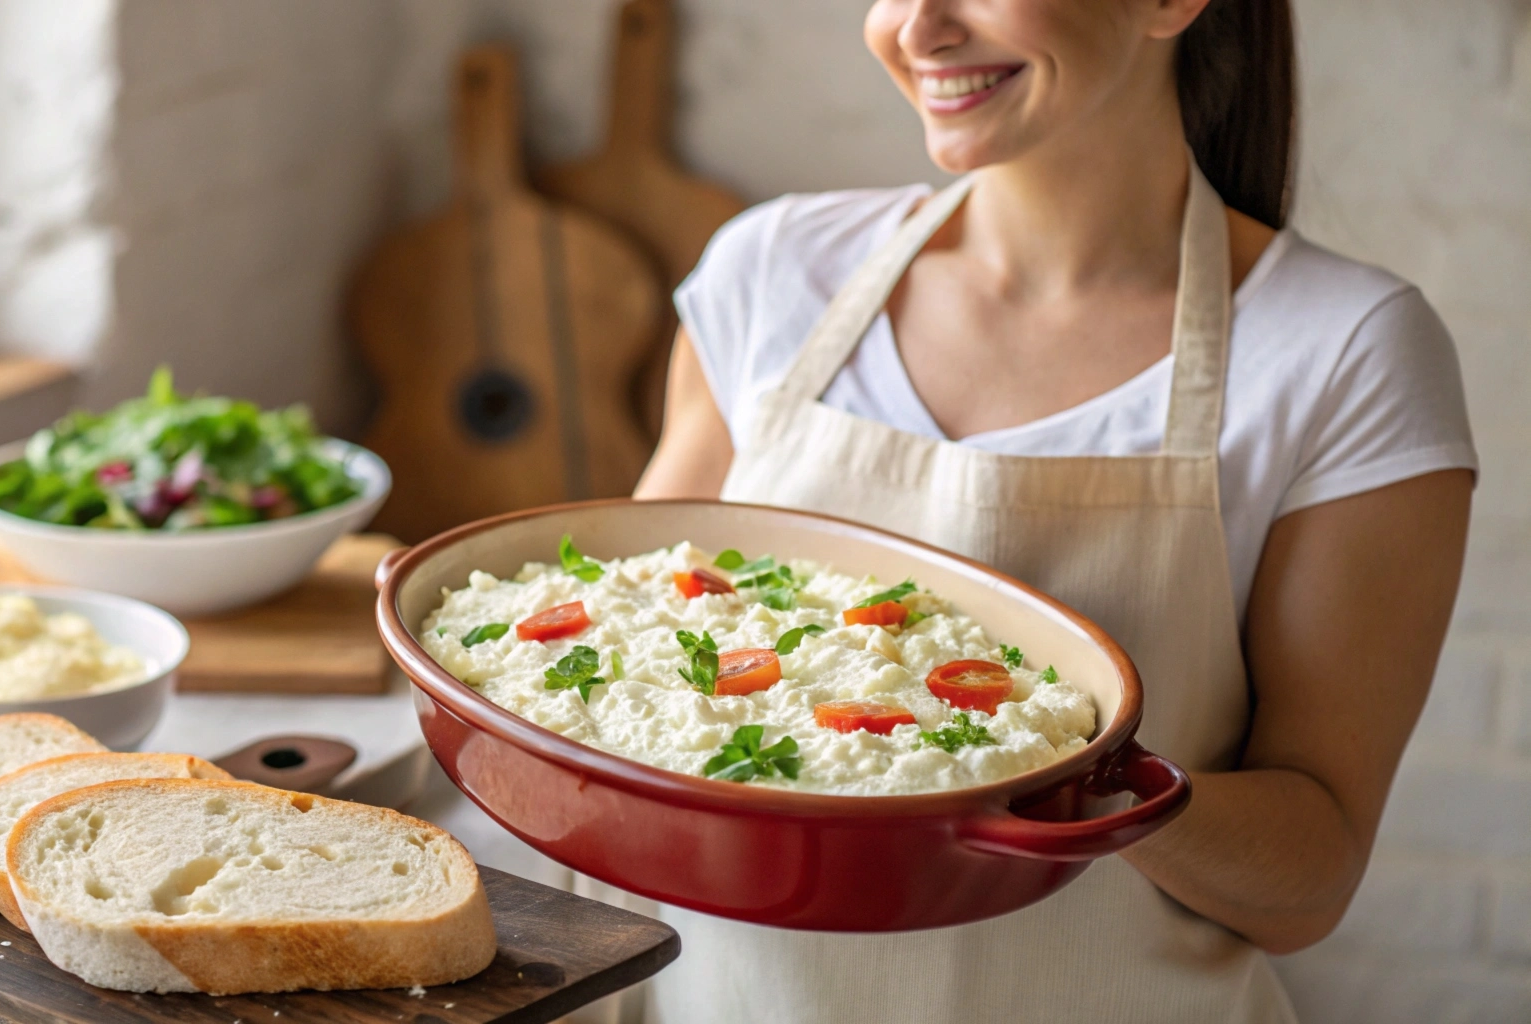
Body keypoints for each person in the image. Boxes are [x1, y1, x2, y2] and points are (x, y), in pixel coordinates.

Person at [630, 0, 1477, 1020]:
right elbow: (628, 657)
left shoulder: (1342, 353)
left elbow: (1308, 877)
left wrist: (1071, 777)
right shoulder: (767, 275)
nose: (916, 28)